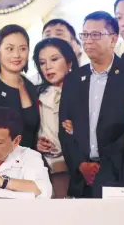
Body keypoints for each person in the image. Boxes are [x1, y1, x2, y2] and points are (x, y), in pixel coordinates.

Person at [59, 11, 124, 198]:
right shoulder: (74, 79)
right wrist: (81, 165)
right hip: (82, 179)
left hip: (122, 174)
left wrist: (104, 166)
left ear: (113, 39)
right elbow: (65, 128)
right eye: (84, 35)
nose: (88, 41)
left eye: (95, 35)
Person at [33, 37, 79, 198]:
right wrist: (37, 142)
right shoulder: (36, 94)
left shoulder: (83, 91)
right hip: (45, 168)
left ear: (69, 62)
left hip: (78, 168)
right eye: (42, 62)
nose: (48, 67)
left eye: (54, 59)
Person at [29, 19, 82, 85]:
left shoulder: (88, 73)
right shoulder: (34, 82)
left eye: (59, 34)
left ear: (73, 42)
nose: (52, 38)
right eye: (47, 35)